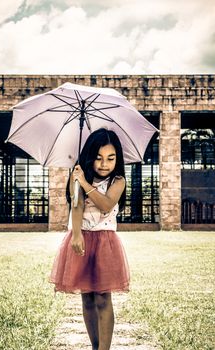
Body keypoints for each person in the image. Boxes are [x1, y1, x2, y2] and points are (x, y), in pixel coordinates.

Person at [49, 128, 130, 350]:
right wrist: (75, 234)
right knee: (87, 297)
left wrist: (84, 183)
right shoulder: (77, 175)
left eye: (111, 158)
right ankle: (95, 346)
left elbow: (105, 205)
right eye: (98, 158)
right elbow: (77, 206)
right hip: (82, 238)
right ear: (89, 156)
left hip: (105, 243)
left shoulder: (118, 180)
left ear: (117, 159)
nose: (104, 164)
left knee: (103, 297)